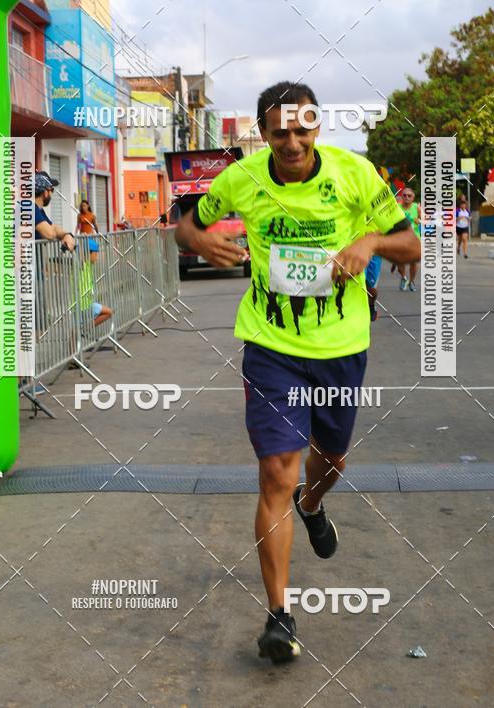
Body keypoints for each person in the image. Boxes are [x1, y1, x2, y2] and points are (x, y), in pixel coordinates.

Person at [175, 81, 420, 664]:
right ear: (263, 131)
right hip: (271, 345)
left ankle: (314, 505)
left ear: (318, 126)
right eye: (279, 130)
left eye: (302, 128)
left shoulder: (356, 175)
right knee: (275, 475)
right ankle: (280, 615)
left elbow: (412, 243)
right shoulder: (242, 178)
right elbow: (184, 223)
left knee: (330, 461)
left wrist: (370, 241)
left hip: (340, 346)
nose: (291, 141)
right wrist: (202, 243)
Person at [34, 171, 75, 251]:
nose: (52, 194)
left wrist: (66, 235)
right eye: (52, 190)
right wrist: (58, 231)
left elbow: (52, 227)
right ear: (45, 192)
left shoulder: (39, 210)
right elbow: (49, 233)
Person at [78, 238, 113, 328]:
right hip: (84, 304)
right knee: (109, 312)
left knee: (76, 330)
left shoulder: (89, 264)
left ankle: (84, 329)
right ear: (88, 253)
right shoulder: (81, 265)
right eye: (96, 254)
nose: (97, 257)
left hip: (84, 303)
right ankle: (86, 328)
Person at [396, 187, 421, 291]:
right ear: (402, 197)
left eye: (409, 196)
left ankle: (411, 281)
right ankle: (403, 278)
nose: (407, 197)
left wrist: (419, 220)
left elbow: (424, 218)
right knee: (400, 263)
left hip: (414, 239)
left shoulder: (417, 207)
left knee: (413, 262)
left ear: (413, 198)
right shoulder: (397, 207)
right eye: (405, 195)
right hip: (400, 238)